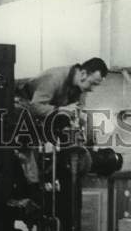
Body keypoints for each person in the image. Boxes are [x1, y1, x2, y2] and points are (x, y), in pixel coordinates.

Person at [13, 57, 110, 188]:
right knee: (29, 144)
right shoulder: (54, 78)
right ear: (83, 74)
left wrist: (82, 128)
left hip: (47, 114)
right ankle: (31, 184)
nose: (92, 89)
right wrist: (59, 110)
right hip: (22, 108)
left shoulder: (81, 88)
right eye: (92, 84)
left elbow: (78, 111)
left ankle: (58, 177)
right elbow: (35, 106)